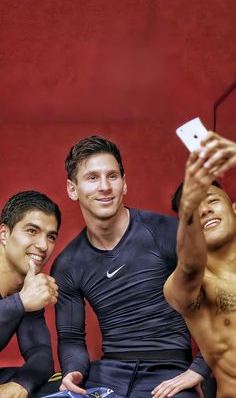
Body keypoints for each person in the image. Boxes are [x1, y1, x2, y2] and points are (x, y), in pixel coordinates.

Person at [51, 135, 212, 398]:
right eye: (92, 178)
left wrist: (201, 368)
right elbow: (71, 338)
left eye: (112, 176)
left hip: (169, 370)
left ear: (124, 184)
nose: (104, 186)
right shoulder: (68, 264)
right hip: (109, 371)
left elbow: (223, 299)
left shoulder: (166, 232)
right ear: (72, 189)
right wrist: (73, 370)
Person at [164, 132, 236, 397]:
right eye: (194, 210)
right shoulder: (187, 285)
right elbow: (190, 265)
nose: (204, 209)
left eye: (212, 200)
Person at [0, 190, 61, 398]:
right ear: (4, 234)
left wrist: (20, 386)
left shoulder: (26, 287)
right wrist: (21, 302)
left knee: (61, 383)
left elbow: (41, 354)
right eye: (32, 231)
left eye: (51, 236)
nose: (43, 246)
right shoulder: (25, 296)